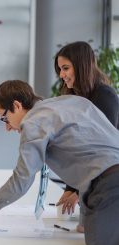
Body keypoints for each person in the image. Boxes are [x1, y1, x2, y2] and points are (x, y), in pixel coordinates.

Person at [0, 80, 119, 245]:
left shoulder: (33, 123)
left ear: (17, 106)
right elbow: (97, 155)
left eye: (5, 118)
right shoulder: (72, 102)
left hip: (109, 187)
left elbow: (21, 180)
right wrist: (86, 221)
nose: (7, 127)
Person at [54, 41, 119, 231]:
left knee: (88, 232)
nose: (62, 75)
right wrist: (70, 188)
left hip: (109, 178)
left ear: (82, 66)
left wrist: (77, 189)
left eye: (66, 68)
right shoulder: (77, 97)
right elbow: (77, 148)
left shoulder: (104, 96)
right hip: (94, 179)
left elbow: (99, 151)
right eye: (60, 69)